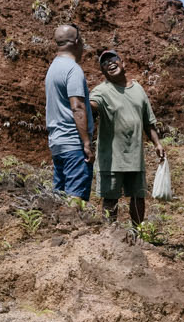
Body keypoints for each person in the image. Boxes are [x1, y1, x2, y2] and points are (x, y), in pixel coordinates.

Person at [88, 49, 164, 226]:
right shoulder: (101, 91)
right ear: (103, 72)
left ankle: (137, 234)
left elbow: (148, 122)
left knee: (138, 197)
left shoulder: (138, 89)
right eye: (104, 63)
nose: (110, 64)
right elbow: (90, 105)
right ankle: (110, 236)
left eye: (113, 59)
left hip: (135, 157)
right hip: (112, 158)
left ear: (123, 63)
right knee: (110, 199)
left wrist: (157, 144)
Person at [43, 24, 94, 198]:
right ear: (77, 42)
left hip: (57, 144)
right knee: (75, 200)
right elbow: (77, 107)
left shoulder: (53, 68)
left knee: (59, 199)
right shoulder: (73, 70)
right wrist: (86, 142)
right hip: (73, 144)